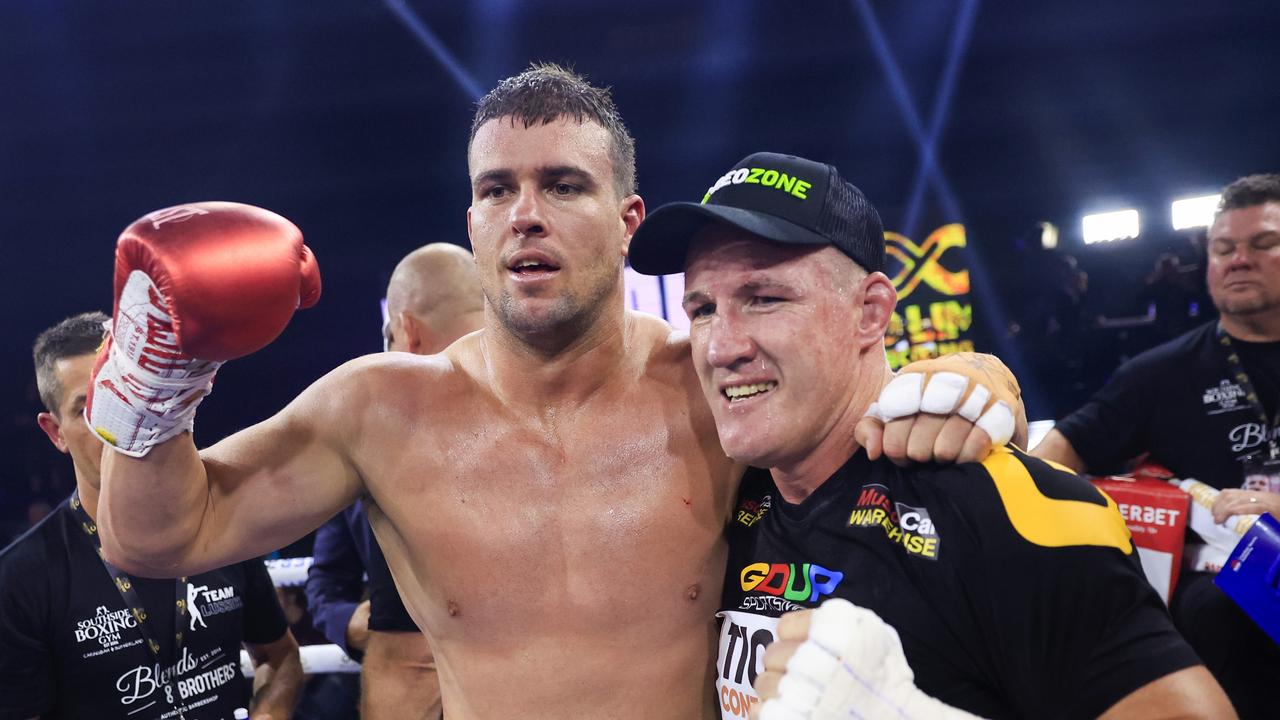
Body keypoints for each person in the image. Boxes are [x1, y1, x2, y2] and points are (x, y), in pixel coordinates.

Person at [89, 65, 1015, 718]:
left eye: (562, 184)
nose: (524, 212)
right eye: (497, 190)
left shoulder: (714, 385)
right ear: (473, 222)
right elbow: (155, 538)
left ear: (627, 223)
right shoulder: (377, 409)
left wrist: (979, 378)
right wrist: (152, 386)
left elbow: (872, 400)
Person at [627, 151, 1234, 720]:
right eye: (702, 309)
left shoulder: (1004, 506)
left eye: (764, 298)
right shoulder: (720, 490)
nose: (722, 346)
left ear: (870, 312)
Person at [1033, 173, 1280, 719]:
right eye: (1223, 248)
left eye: (1263, 244)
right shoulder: (1159, 374)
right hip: (1226, 603)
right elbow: (1048, 461)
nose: (1239, 259)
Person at [0, 312, 304, 720]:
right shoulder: (22, 578)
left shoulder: (222, 524)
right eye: (88, 408)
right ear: (56, 432)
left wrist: (270, 714)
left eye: (126, 396)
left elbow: (279, 657)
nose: (115, 423)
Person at [306, 243, 481, 719]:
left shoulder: (383, 441)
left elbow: (409, 665)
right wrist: (348, 623)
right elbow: (328, 576)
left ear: (406, 329)